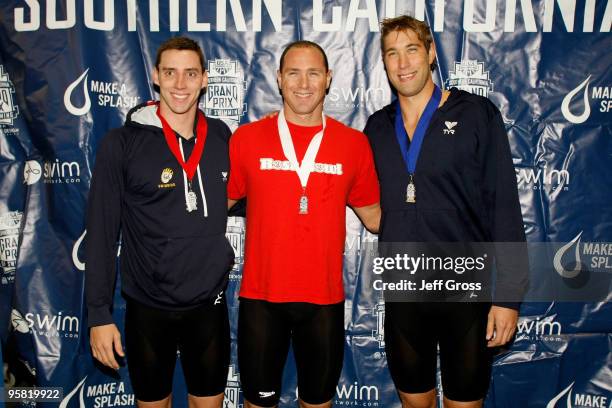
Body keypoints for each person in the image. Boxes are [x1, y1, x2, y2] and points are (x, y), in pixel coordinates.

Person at [364, 16, 528, 408]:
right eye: (392, 53)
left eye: (412, 50)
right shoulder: (376, 128)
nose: (403, 63)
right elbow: (338, 178)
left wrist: (507, 298)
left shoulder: (477, 115)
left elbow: (503, 205)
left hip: (466, 294)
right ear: (384, 63)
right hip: (404, 295)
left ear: (431, 53)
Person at [227, 41, 381, 408]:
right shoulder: (246, 139)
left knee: (317, 403)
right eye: (293, 72)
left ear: (328, 79)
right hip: (261, 300)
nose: (303, 83)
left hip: (323, 302)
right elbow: (209, 210)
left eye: (313, 73)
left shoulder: (354, 144)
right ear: (279, 79)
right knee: (257, 403)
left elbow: (376, 220)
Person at [85, 37, 234, 408]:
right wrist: (99, 315)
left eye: (190, 74)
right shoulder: (121, 144)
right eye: (170, 73)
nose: (180, 85)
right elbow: (102, 233)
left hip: (209, 306)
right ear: (155, 76)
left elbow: (246, 199)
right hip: (148, 310)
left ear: (204, 80)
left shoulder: (222, 137)